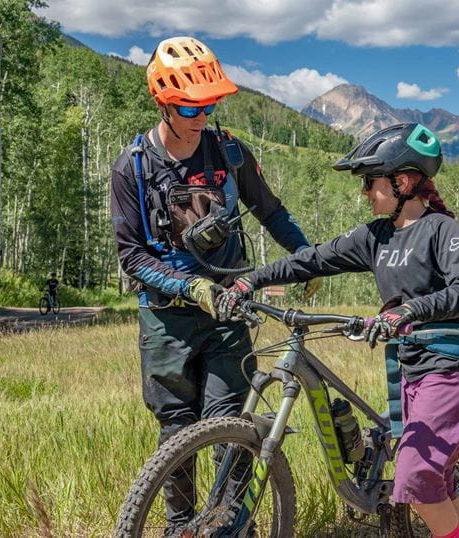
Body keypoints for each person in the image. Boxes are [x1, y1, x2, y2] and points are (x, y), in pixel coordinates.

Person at [216, 123, 459, 538]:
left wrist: (408, 310)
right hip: (411, 367)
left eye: (370, 183)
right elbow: (313, 259)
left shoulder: (441, 230)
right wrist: (254, 279)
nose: (364, 193)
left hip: (449, 366)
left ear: (404, 181)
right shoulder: (376, 236)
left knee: (414, 475)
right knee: (432, 480)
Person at [109, 36, 320, 533]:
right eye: (188, 105)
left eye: (208, 103)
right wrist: (190, 288)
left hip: (229, 313)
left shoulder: (229, 153)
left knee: (233, 425)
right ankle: (179, 526)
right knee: (177, 429)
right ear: (163, 102)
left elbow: (271, 211)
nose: (200, 114)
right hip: (167, 319)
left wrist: (306, 256)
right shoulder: (133, 167)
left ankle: (227, 525)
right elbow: (131, 255)